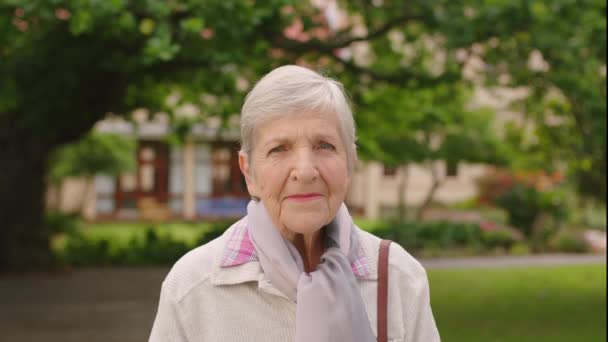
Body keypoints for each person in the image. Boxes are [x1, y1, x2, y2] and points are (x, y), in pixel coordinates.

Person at [149, 65, 440, 342]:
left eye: (324, 146)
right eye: (279, 149)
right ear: (249, 171)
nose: (305, 171)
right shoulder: (192, 288)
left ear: (350, 162)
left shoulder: (399, 277)